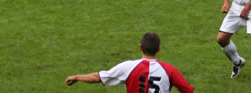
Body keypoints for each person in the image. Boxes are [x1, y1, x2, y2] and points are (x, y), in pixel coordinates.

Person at [65, 31, 195, 93]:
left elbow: (98, 77)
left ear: (140, 47)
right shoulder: (169, 70)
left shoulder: (128, 67)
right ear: (158, 50)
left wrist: (77, 77)